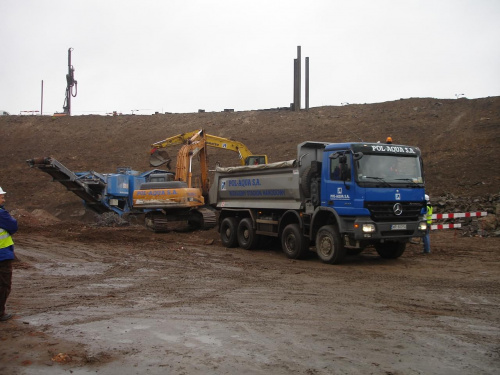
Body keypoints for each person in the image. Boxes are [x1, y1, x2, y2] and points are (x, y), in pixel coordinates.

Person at [0, 187, 18, 321]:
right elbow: (13, 226)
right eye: (1, 197)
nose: (3, 199)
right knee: (3, 284)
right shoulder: (1, 214)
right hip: (2, 255)